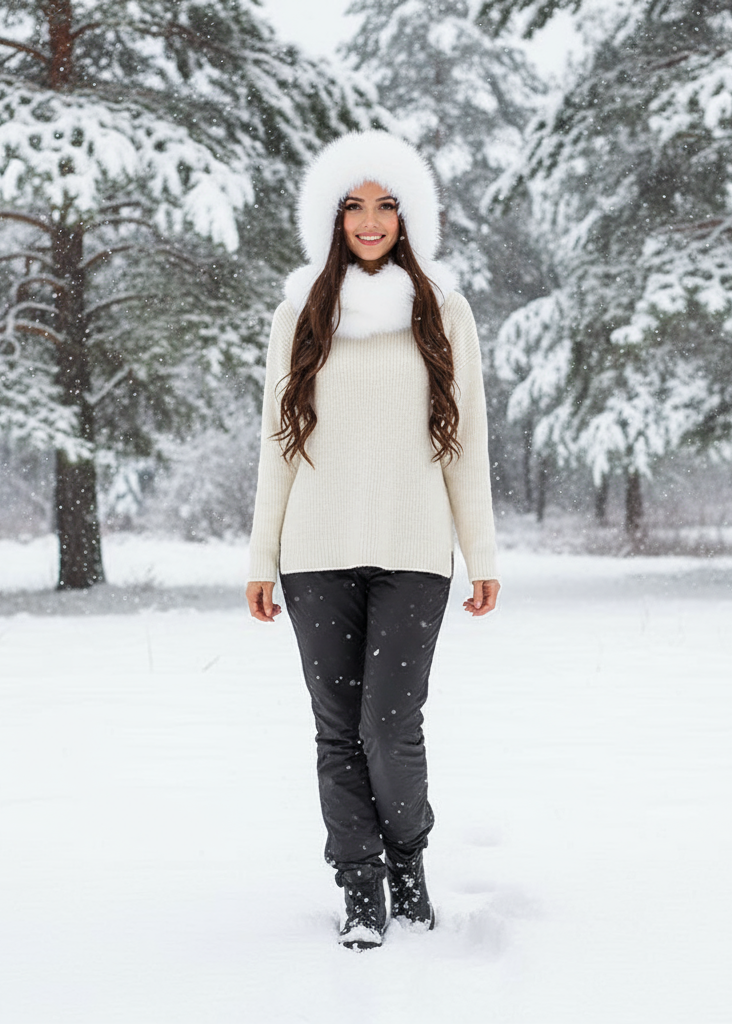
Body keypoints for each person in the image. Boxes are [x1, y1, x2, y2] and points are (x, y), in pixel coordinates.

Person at [245, 130, 500, 950]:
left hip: (415, 552)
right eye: (353, 205)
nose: (368, 220)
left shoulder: (443, 310)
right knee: (335, 728)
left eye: (385, 204)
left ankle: (408, 864)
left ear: (409, 215)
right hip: (313, 554)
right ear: (331, 216)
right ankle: (360, 889)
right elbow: (276, 443)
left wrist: (482, 553)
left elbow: (468, 444)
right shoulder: (301, 311)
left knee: (388, 726)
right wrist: (261, 557)